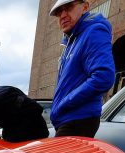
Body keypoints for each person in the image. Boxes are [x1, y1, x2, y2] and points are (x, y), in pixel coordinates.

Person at [49, 0, 115, 137]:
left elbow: (103, 77)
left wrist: (65, 103)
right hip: (70, 119)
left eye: (68, 8)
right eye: (59, 12)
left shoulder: (93, 31)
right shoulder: (72, 40)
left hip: (77, 120)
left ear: (84, 7)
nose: (63, 15)